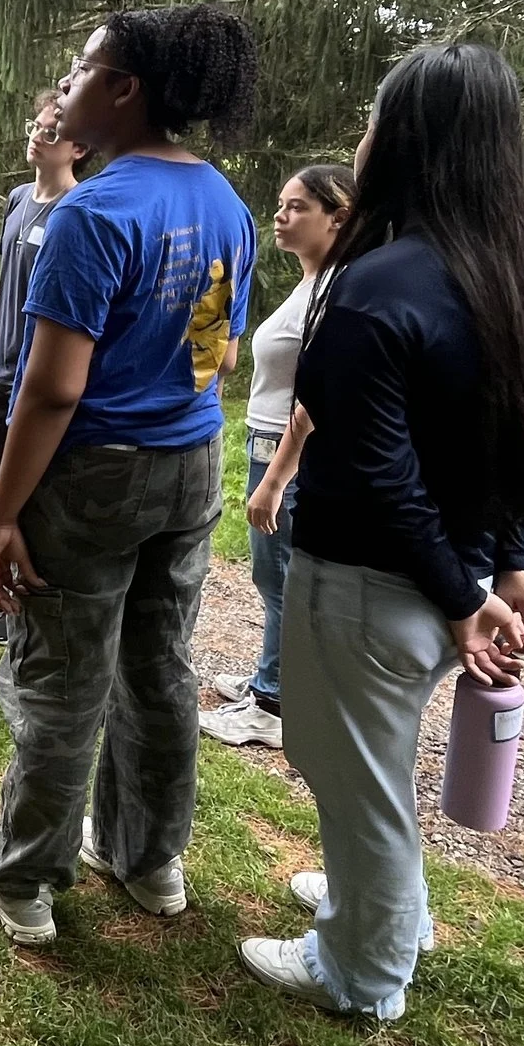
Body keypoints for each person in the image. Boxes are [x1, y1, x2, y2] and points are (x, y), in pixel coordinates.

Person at [236, 42, 524, 1018]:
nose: (362, 134)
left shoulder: (376, 283)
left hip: (375, 581)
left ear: (402, 141)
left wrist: (463, 591)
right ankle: (370, 902)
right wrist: (505, 562)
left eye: (375, 117)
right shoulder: (513, 283)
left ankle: (361, 969)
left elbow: (375, 469)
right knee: (364, 764)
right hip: (447, 580)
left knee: (358, 779)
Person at [0, 5, 259, 947]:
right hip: (192, 462)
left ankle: (26, 878)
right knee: (157, 665)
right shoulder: (229, 204)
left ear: (124, 89)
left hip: (94, 472)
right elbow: (221, 350)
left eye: (84, 68)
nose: (68, 84)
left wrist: (4, 512)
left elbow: (51, 391)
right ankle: (148, 859)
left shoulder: (95, 211)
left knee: (61, 677)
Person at [201, 163, 357, 751]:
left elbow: (318, 394)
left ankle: (273, 705)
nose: (280, 216)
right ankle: (271, 678)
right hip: (270, 443)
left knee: (282, 576)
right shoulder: (310, 280)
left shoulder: (334, 289)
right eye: (281, 205)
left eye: (298, 208)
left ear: (337, 217)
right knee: (275, 575)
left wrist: (276, 478)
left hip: (288, 453)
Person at [0, 92, 86, 637]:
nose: (37, 135)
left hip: (38, 376)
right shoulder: (20, 198)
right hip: (3, 371)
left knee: (26, 489)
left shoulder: (73, 210)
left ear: (77, 147)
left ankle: (19, 602)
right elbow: (4, 282)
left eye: (51, 131)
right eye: (37, 125)